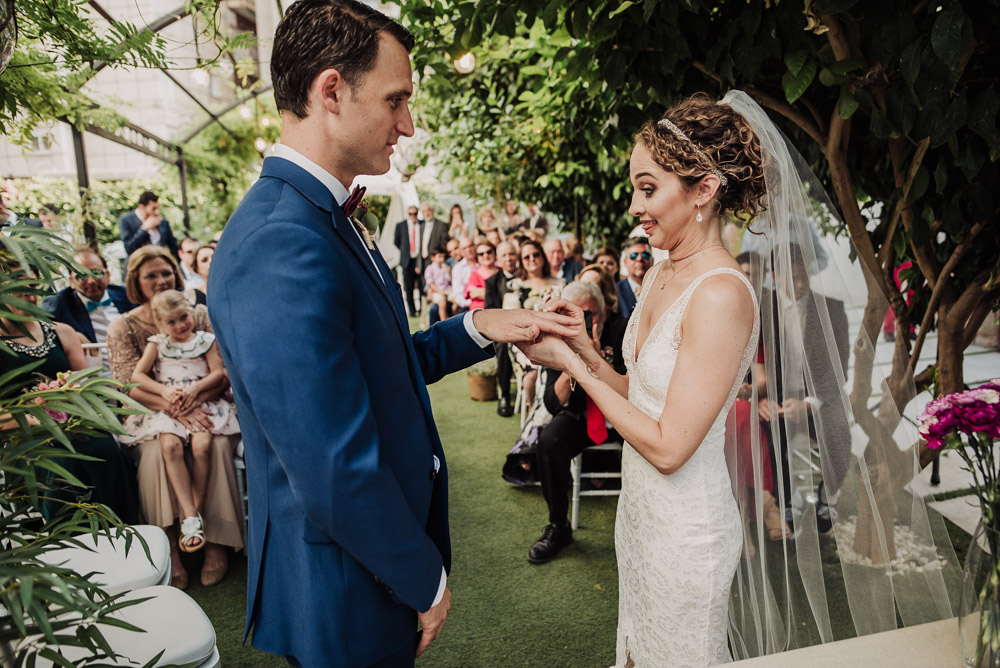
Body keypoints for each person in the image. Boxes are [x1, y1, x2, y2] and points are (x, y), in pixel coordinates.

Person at [205, 3, 578, 666]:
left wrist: (477, 326)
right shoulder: (280, 241)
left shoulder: (324, 215)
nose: (408, 124)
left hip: (360, 567)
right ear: (330, 91)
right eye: (396, 99)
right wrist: (421, 576)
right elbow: (329, 459)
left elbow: (371, 368)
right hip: (349, 579)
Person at [519, 94, 765, 666]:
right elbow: (643, 398)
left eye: (649, 188)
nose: (634, 205)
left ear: (703, 189)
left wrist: (571, 365)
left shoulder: (721, 294)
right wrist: (583, 344)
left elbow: (670, 445)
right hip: (642, 517)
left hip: (687, 532)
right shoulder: (659, 270)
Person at [107, 245, 243, 591]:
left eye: (166, 272)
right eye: (150, 274)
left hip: (206, 401)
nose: (160, 279)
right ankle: (169, 547)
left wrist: (197, 398)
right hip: (154, 410)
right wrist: (173, 406)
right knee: (157, 451)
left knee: (213, 443)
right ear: (136, 281)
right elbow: (128, 384)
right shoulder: (124, 325)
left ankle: (216, 543)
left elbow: (222, 371)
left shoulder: (197, 313)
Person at [0, 271, 140, 524]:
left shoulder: (62, 332)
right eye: (22, 289)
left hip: (72, 424)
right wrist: (32, 418)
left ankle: (122, 530)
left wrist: (74, 407)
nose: (32, 296)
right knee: (63, 465)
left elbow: (84, 388)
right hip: (21, 437)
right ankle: (73, 546)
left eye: (35, 287)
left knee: (106, 449)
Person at [126, 290, 240, 554]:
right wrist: (164, 392)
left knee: (202, 447)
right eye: (171, 322)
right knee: (170, 448)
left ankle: (193, 514)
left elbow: (218, 373)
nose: (180, 325)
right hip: (169, 407)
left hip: (200, 402)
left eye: (183, 317)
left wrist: (196, 389)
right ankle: (190, 514)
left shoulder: (205, 340)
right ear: (159, 323)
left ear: (191, 313)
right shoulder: (157, 344)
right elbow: (138, 376)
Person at [525, 280, 628, 563]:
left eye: (589, 314)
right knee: (550, 440)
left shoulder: (622, 329)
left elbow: (631, 383)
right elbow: (550, 402)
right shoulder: (557, 337)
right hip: (582, 414)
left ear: (604, 311)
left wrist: (595, 357)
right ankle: (558, 525)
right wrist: (573, 364)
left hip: (623, 412)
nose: (582, 321)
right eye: (575, 314)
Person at [42, 247, 136, 369]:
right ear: (71, 281)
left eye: (96, 273)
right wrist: (72, 334)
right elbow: (36, 324)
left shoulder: (128, 295)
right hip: (95, 378)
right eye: (81, 276)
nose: (91, 281)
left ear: (108, 275)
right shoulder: (59, 303)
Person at [485, 242, 519, 418]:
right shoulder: (492, 282)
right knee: (502, 346)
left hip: (529, 326)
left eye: (512, 254)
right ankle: (504, 395)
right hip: (504, 329)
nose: (509, 258)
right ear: (498, 259)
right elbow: (489, 310)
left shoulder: (527, 276)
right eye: (504, 255)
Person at [118, 191, 180, 261]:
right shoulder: (126, 221)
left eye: (158, 208)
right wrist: (144, 229)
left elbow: (173, 247)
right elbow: (129, 249)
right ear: (141, 207)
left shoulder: (162, 222)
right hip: (137, 265)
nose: (157, 212)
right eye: (153, 209)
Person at [394, 205, 422, 316]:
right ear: (408, 214)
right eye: (411, 214)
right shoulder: (401, 225)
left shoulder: (422, 224)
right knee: (408, 287)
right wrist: (405, 251)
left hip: (420, 260)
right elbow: (396, 241)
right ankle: (412, 311)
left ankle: (421, 309)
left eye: (415, 213)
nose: (413, 216)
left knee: (421, 285)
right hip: (407, 261)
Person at [615, 237, 652, 319]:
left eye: (645, 255)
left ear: (652, 260)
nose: (639, 259)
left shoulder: (661, 288)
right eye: (633, 255)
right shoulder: (615, 291)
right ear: (625, 262)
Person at [464, 242, 496, 311]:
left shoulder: (502, 270)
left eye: (489, 252)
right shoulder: (475, 274)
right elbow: (474, 293)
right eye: (481, 254)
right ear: (477, 257)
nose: (486, 255)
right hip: (482, 314)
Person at [424, 247, 452, 325]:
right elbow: (431, 283)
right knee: (442, 303)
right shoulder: (430, 268)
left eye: (443, 257)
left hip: (447, 290)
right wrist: (439, 291)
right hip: (437, 291)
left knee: (456, 301)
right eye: (439, 257)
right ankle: (444, 322)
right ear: (433, 258)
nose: (442, 259)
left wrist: (449, 272)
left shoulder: (445, 267)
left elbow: (450, 280)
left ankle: (454, 319)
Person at [450, 237, 477, 315]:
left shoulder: (483, 262)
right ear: (461, 252)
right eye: (464, 248)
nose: (468, 250)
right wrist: (473, 303)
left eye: (470, 246)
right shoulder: (458, 269)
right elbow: (458, 295)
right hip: (467, 306)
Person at [419, 202, 449, 272]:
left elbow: (444, 243)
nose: (427, 213)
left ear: (433, 211)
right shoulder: (421, 226)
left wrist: (437, 257)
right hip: (422, 263)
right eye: (424, 211)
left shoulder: (441, 225)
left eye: (428, 210)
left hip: (436, 262)